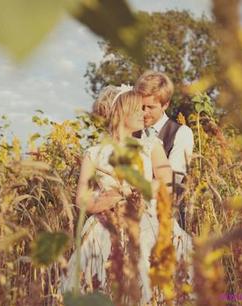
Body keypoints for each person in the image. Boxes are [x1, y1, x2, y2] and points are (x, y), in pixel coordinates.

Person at [61, 89, 192, 304]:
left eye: (145, 108)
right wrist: (106, 201)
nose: (144, 114)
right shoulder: (94, 153)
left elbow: (167, 183)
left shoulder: (151, 146)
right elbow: (81, 199)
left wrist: (136, 188)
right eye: (138, 109)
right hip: (104, 227)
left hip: (146, 222)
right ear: (122, 112)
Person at [134, 71, 194, 228]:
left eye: (150, 107)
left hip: (163, 220)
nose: (144, 112)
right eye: (140, 106)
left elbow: (172, 183)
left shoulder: (181, 133)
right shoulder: (132, 131)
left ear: (165, 104)